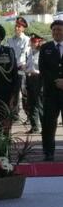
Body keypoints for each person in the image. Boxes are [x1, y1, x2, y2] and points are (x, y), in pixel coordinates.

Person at [39, 20, 63, 161]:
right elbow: (43, 69)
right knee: (48, 124)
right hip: (51, 92)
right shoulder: (45, 48)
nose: (56, 32)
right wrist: (57, 81)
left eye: (59, 29)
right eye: (54, 30)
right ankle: (48, 152)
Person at [7, 17, 30, 120]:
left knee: (24, 91)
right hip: (12, 69)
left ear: (23, 28)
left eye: (19, 26)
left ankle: (30, 115)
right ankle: (15, 114)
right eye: (16, 26)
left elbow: (24, 54)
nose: (16, 28)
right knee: (14, 92)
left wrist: (17, 64)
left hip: (22, 68)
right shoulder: (10, 40)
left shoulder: (27, 40)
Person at [25, 33, 44, 134]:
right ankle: (34, 126)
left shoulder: (42, 52)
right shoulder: (29, 52)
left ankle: (44, 127)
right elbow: (28, 66)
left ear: (39, 42)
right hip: (29, 78)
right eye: (31, 41)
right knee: (31, 104)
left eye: (34, 42)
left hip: (38, 79)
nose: (32, 43)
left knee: (39, 103)